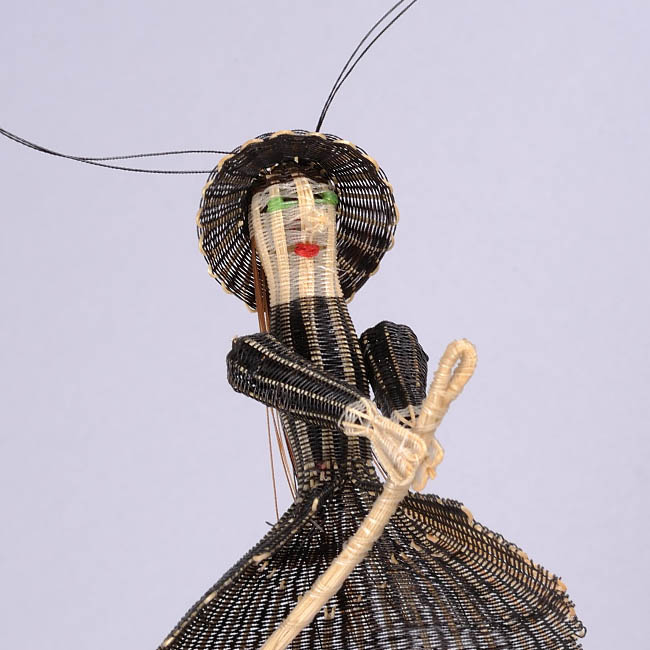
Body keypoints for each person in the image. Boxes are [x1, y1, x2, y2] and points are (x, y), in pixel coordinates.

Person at [158, 130, 584, 650]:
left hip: (377, 491)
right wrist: (368, 421)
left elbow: (390, 344)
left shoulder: (380, 339)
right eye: (281, 205)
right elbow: (257, 364)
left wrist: (407, 421)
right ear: (256, 234)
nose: (307, 218)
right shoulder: (258, 353)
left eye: (322, 201)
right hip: (319, 502)